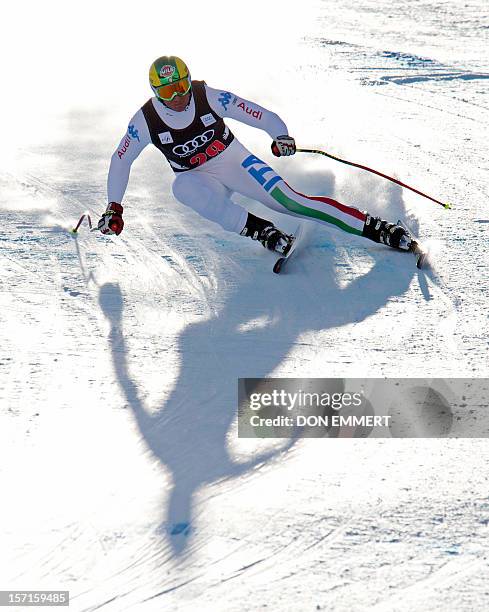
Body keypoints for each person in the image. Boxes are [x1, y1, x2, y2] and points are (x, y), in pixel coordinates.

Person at [99, 55, 413, 256]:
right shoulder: (144, 121)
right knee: (181, 188)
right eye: (168, 92)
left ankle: (377, 227)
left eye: (181, 86)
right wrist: (114, 207)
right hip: (195, 176)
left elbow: (258, 113)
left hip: (232, 160)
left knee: (291, 203)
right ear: (156, 93)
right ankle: (259, 230)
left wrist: (280, 135)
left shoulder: (207, 95)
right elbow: (121, 160)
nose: (179, 97)